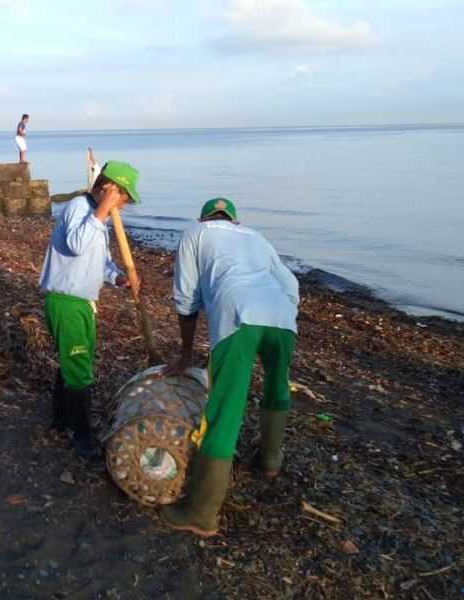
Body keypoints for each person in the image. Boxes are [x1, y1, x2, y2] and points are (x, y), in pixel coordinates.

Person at [160, 198, 299, 537]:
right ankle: (268, 461)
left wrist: (186, 353)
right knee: (277, 387)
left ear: (204, 217)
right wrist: (282, 313)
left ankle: (201, 513)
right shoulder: (256, 237)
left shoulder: (195, 233)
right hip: (282, 314)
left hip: (239, 316)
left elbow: (186, 297)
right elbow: (291, 285)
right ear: (235, 221)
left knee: (224, 409)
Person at [38, 161, 141, 459]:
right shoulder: (78, 208)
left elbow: (100, 261)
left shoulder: (100, 219)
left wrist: (119, 277)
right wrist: (102, 210)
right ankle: (83, 437)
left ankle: (60, 420)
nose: (125, 203)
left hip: (83, 303)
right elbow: (76, 244)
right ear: (110, 188)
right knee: (79, 368)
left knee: (72, 363)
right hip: (66, 301)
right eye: (123, 196)